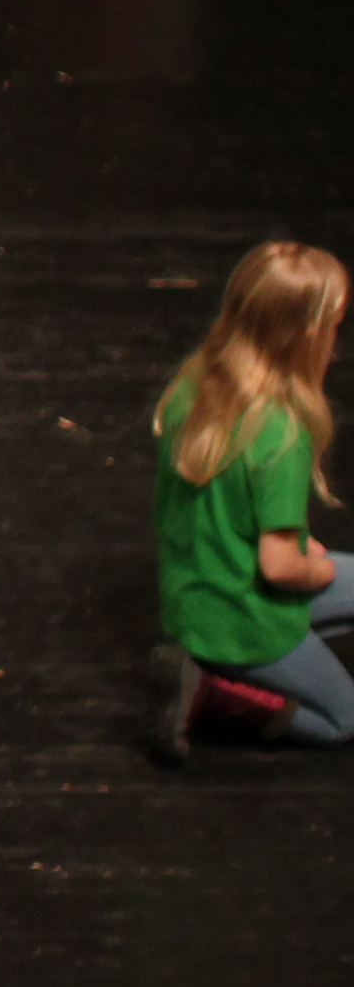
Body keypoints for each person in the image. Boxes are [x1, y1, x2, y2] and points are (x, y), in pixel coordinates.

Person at [146, 240, 348, 762]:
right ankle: (217, 694)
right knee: (344, 720)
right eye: (335, 326)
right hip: (243, 618)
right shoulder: (281, 435)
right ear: (308, 334)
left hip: (196, 594)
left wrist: (302, 546)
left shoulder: (195, 382)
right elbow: (280, 568)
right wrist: (316, 568)